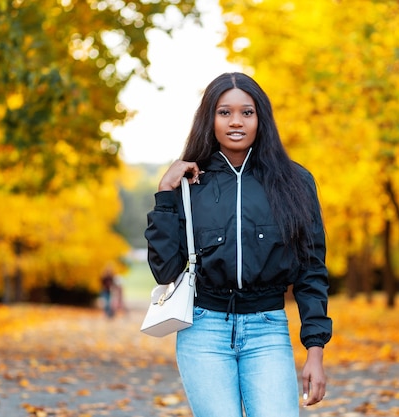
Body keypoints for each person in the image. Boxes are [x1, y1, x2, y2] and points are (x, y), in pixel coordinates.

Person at [145, 72, 332, 416]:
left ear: (261, 118)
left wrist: (315, 351)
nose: (236, 122)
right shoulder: (189, 183)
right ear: (209, 119)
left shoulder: (295, 181)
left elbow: (311, 271)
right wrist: (165, 195)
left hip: (268, 329)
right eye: (224, 112)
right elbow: (164, 270)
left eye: (247, 112)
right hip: (204, 331)